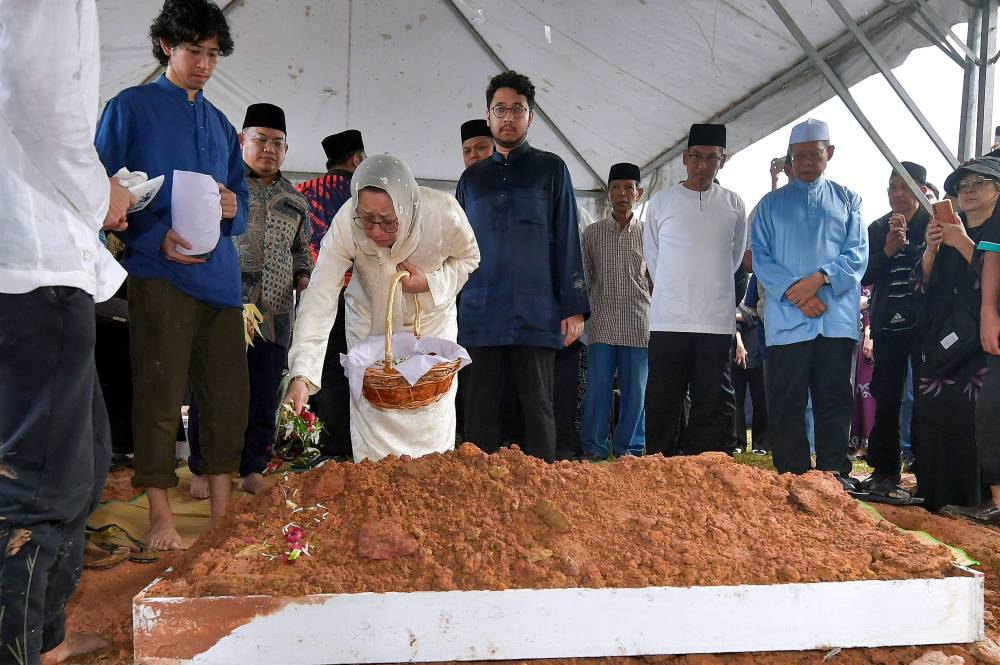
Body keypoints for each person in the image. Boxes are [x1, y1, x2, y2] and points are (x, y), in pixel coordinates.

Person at [0, 2, 135, 662]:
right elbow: (40, 98)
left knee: (80, 462)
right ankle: (23, 646)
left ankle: (44, 636)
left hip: (42, 265)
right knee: (38, 488)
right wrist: (99, 192)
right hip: (30, 268)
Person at [95, 0, 249, 550]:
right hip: (159, 274)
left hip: (222, 283)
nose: (205, 64)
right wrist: (147, 235)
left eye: (213, 54)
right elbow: (101, 187)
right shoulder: (130, 108)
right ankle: (160, 513)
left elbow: (243, 200)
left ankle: (222, 517)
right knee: (159, 396)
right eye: (194, 51)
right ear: (166, 46)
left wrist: (234, 207)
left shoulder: (223, 124)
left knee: (229, 397)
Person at [284, 155, 480, 460]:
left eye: (388, 222)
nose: (376, 232)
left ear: (407, 208)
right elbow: (320, 296)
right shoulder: (347, 222)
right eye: (367, 219)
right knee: (373, 427)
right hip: (369, 328)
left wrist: (429, 282)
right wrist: (302, 373)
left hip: (428, 327)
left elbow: (470, 259)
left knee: (430, 425)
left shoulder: (443, 214)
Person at [456, 70, 589, 463]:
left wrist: (574, 307)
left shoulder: (551, 169)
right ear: (489, 114)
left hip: (536, 311)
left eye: (518, 109)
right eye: (501, 109)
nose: (509, 116)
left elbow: (567, 238)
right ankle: (480, 497)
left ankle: (539, 495)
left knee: (538, 408)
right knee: (479, 410)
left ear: (531, 117)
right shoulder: (472, 180)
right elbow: (456, 249)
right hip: (481, 312)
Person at [187, 103, 313, 495]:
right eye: (260, 140)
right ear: (242, 141)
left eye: (278, 143)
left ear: (286, 150)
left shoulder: (295, 199)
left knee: (261, 395)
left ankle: (252, 468)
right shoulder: (222, 189)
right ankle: (202, 469)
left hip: (275, 313)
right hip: (225, 308)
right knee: (213, 390)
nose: (269, 149)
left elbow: (302, 250)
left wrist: (305, 276)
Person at [751, 118, 867, 486]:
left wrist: (819, 280)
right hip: (788, 321)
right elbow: (761, 257)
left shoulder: (849, 199)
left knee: (834, 398)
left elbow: (858, 254)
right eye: (797, 156)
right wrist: (797, 294)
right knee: (787, 401)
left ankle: (834, 473)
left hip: (835, 319)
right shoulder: (770, 206)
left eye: (812, 155)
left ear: (828, 153)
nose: (804, 163)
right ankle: (792, 475)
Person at [643, 123, 747, 456]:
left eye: (711, 158)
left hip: (714, 321)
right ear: (685, 158)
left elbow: (733, 260)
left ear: (723, 160)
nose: (703, 165)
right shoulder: (661, 203)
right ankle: (660, 464)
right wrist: (678, 291)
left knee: (712, 398)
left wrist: (707, 287)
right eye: (696, 157)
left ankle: (704, 467)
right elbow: (653, 258)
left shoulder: (733, 204)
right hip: (669, 319)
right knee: (663, 396)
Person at [910, 158, 1000, 512]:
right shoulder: (948, 229)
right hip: (941, 347)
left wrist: (963, 241)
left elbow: (990, 284)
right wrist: (932, 250)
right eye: (964, 186)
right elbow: (922, 287)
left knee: (978, 417)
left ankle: (981, 500)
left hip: (981, 347)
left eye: (980, 183)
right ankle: (936, 493)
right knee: (933, 413)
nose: (969, 191)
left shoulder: (991, 233)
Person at [859, 162, 930, 498]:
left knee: (926, 397)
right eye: (892, 187)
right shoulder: (875, 227)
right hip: (888, 325)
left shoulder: (932, 223)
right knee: (886, 396)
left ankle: (927, 469)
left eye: (905, 187)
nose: (897, 194)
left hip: (926, 327)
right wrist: (887, 249)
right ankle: (884, 470)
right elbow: (864, 275)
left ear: (920, 189)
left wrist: (912, 246)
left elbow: (941, 271)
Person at [295, 129, 366, 460]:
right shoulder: (360, 194)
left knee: (320, 371)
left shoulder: (302, 192)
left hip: (315, 293)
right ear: (357, 159)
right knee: (356, 370)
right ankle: (351, 446)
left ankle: (321, 446)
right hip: (357, 297)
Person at [580, 163, 650, 459]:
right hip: (602, 322)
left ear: (639, 193)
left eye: (629, 188)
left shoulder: (650, 234)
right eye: (617, 187)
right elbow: (586, 278)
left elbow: (656, 280)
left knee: (636, 392)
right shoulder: (592, 234)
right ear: (608, 193)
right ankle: (594, 449)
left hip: (638, 321)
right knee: (597, 389)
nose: (623, 193)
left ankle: (630, 451)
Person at [734, 276, 767, 454]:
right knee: (736, 396)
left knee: (760, 397)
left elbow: (757, 311)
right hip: (736, 343)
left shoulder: (759, 276)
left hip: (758, 344)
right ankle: (739, 442)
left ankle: (760, 443)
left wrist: (741, 316)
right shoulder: (735, 278)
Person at [850, 286, 875, 457]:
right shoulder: (855, 279)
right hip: (850, 336)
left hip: (871, 337)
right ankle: (856, 442)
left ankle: (869, 442)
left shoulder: (876, 278)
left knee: (869, 392)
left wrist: (869, 335)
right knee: (855, 391)